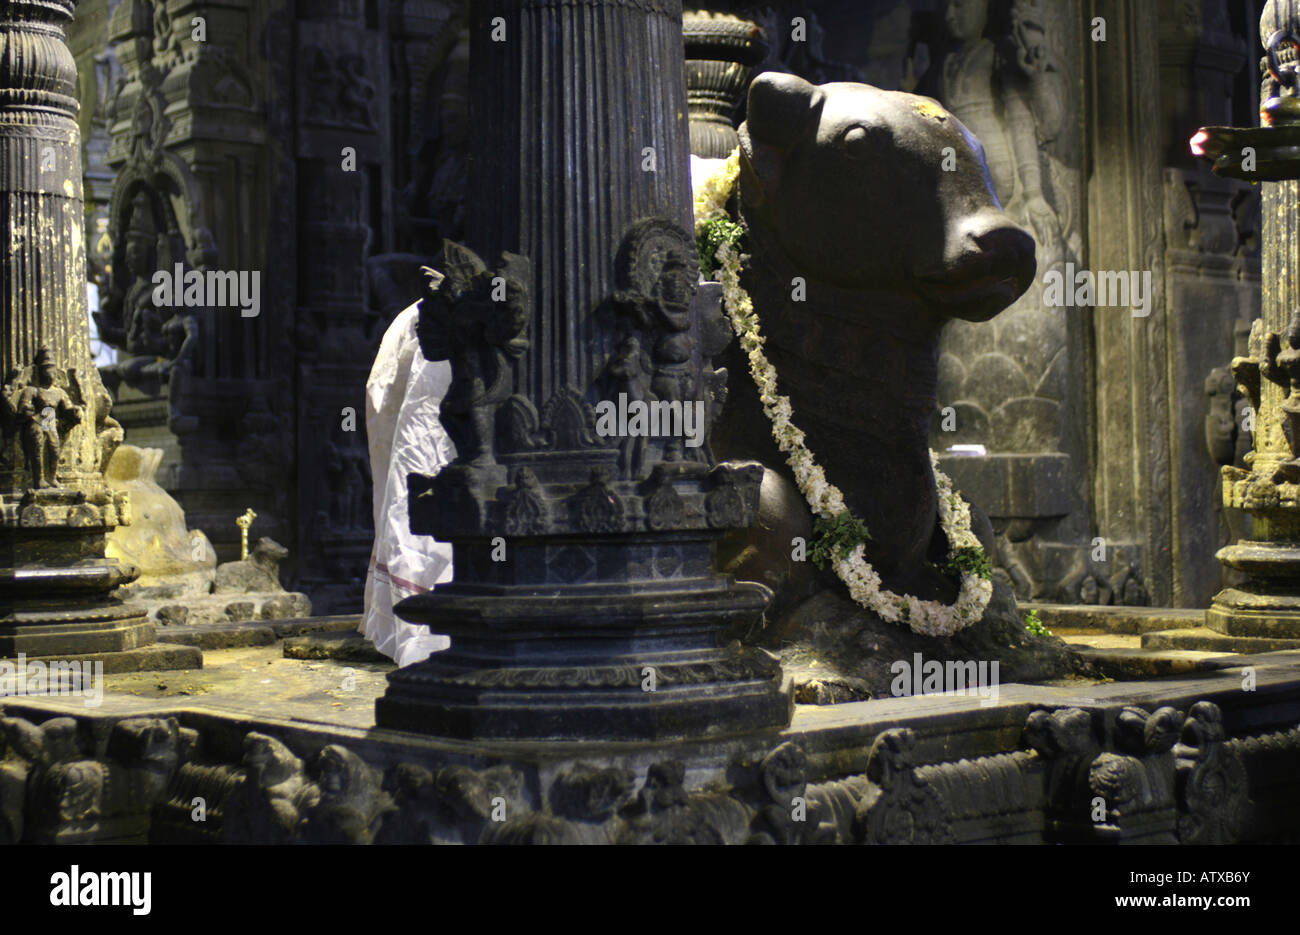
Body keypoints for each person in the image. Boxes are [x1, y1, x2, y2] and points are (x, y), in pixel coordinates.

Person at [360, 299, 456, 667]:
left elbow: (379, 397)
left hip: (425, 432)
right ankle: (419, 629)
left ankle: (420, 630)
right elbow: (381, 394)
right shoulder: (418, 317)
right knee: (415, 510)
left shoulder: (419, 315)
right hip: (425, 431)